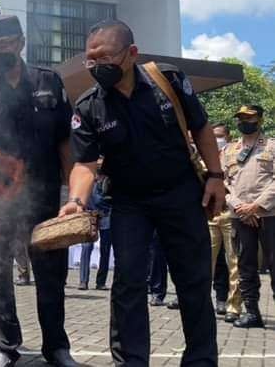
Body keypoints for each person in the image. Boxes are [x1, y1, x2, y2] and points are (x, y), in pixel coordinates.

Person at [60, 19, 223, 366]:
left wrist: (216, 176)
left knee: (193, 281)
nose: (96, 67)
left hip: (181, 194)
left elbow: (201, 128)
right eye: (90, 60)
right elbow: (85, 164)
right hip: (130, 202)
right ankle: (131, 362)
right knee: (128, 285)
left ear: (131, 54)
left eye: (105, 58)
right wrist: (76, 201)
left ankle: (201, 360)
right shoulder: (89, 106)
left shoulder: (168, 80)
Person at [0, 15, 75, 367]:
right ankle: (5, 347)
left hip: (44, 197)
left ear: (21, 42)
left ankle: (56, 347)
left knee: (51, 276)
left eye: (5, 44)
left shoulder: (48, 82)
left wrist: (71, 195)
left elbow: (65, 142)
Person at [223, 105, 275, 328]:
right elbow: (224, 183)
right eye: (242, 118)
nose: (245, 121)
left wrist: (256, 206)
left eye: (250, 117)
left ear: (260, 120)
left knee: (274, 263)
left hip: (268, 214)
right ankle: (252, 312)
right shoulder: (229, 150)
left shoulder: (271, 146)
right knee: (245, 265)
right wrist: (240, 207)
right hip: (240, 216)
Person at [208, 122, 241, 322]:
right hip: (211, 213)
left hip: (231, 212)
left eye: (219, 136)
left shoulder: (237, 153)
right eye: (213, 136)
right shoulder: (207, 153)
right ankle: (201, 303)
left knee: (234, 262)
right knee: (204, 260)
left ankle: (234, 306)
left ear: (228, 137)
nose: (216, 140)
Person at [79, 173, 112, 291]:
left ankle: (101, 282)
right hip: (90, 214)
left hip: (106, 214)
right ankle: (83, 281)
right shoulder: (87, 175)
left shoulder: (109, 177)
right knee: (86, 247)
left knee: (105, 249)